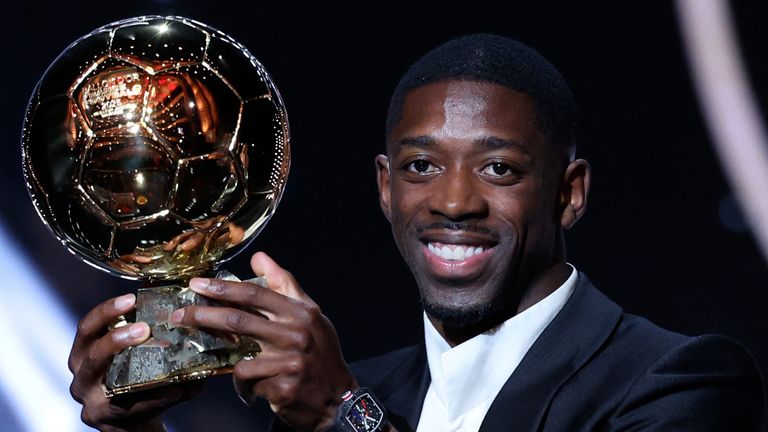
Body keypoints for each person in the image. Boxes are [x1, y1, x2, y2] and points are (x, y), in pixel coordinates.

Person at [67, 34, 765, 432]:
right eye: (421, 166)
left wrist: (343, 412)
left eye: (499, 167)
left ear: (569, 194)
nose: (454, 201)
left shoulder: (680, 385)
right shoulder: (357, 391)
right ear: (384, 188)